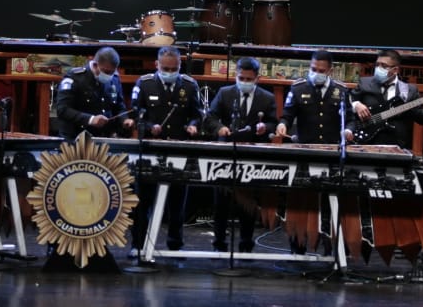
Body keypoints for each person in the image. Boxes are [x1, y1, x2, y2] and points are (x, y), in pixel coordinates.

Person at [131, 45, 203, 252]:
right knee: (143, 200)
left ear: (180, 66)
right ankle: (138, 245)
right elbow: (135, 113)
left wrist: (193, 125)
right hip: (151, 150)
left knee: (177, 201)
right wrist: (148, 126)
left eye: (174, 69)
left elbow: (198, 113)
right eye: (166, 68)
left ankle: (175, 245)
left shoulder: (190, 85)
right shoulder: (144, 84)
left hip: (179, 149)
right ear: (157, 64)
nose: (170, 72)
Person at [204, 56, 276, 253]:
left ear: (257, 78)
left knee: (248, 203)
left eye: (248, 79)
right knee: (221, 202)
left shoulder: (267, 98)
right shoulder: (225, 93)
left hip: (251, 155)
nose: (244, 82)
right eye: (241, 78)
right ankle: (219, 243)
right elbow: (210, 118)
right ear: (236, 75)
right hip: (225, 154)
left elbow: (273, 123)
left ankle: (246, 244)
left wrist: (265, 127)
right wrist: (219, 128)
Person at [349, 49, 423, 147]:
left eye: (384, 66)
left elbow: (420, 117)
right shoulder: (364, 83)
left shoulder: (409, 90)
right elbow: (348, 102)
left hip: (396, 144)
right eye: (377, 65)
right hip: (366, 142)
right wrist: (356, 104)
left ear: (395, 70)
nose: (379, 68)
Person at [52, 46, 134, 139]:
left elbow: (119, 106)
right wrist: (91, 119)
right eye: (106, 72)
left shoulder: (114, 79)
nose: (109, 75)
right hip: (76, 138)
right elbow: (63, 110)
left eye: (113, 71)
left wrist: (124, 120)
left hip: (104, 138)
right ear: (95, 65)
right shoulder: (75, 78)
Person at [276, 49, 350, 145]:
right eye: (313, 69)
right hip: (305, 146)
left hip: (332, 147)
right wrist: (283, 124)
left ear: (330, 71)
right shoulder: (298, 88)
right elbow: (287, 115)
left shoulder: (341, 90)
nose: (316, 74)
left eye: (321, 71)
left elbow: (350, 119)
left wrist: (348, 130)